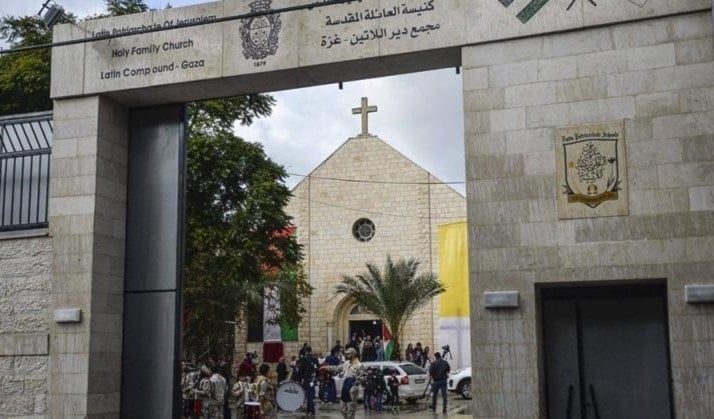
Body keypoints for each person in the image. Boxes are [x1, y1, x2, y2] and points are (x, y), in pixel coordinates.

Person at [320, 347, 364, 419]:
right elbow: (336, 368)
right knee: (342, 408)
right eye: (346, 354)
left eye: (348, 354)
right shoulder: (346, 363)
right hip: (345, 387)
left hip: (352, 388)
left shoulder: (359, 365)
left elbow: (363, 377)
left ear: (353, 354)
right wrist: (325, 367)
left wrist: (356, 383)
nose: (347, 355)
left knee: (351, 410)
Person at [294, 346, 320, 416]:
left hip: (307, 379)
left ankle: (311, 411)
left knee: (309, 396)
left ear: (306, 351)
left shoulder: (304, 359)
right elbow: (318, 369)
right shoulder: (315, 359)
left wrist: (299, 379)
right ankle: (309, 410)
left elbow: (301, 370)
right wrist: (317, 378)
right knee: (310, 395)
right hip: (313, 379)